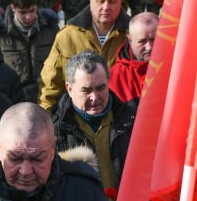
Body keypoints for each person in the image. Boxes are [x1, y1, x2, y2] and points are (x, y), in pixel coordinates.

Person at [39, 0, 130, 110]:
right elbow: (51, 82)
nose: (106, 7)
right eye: (100, 1)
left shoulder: (132, 36)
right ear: (90, 1)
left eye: (112, 2)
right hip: (77, 114)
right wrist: (46, 115)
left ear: (121, 2)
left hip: (121, 113)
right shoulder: (68, 35)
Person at [51, 51, 135, 192]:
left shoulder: (132, 122)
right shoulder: (54, 133)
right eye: (86, 90)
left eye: (101, 88)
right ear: (69, 89)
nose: (94, 97)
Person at [0, 0, 60, 104]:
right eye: (23, 12)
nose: (28, 17)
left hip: (46, 97)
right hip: (13, 99)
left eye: (32, 11)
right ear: (13, 8)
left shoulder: (51, 29)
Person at [108, 12, 156, 104]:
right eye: (142, 41)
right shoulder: (115, 78)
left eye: (153, 39)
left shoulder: (176, 69)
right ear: (130, 40)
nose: (149, 47)